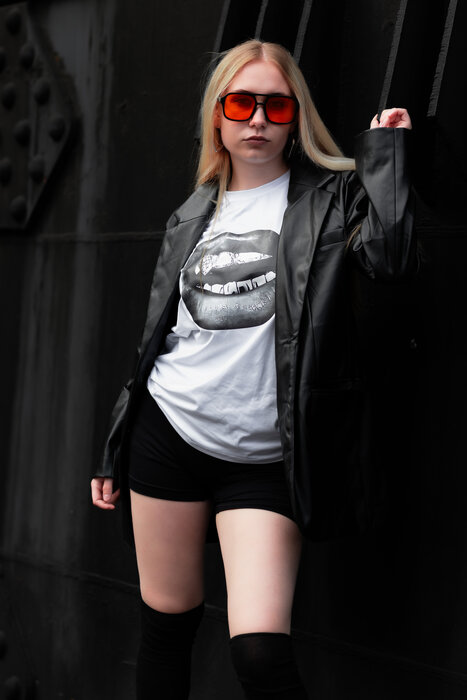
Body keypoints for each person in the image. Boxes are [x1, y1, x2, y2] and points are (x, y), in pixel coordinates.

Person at [91, 39, 415, 700]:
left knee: (262, 654)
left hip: (266, 459)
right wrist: (115, 446)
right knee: (166, 627)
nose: (258, 119)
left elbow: (390, 260)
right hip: (166, 437)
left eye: (275, 105)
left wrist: (386, 156)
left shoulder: (332, 199)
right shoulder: (191, 213)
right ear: (218, 116)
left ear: (296, 116)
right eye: (241, 104)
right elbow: (158, 337)